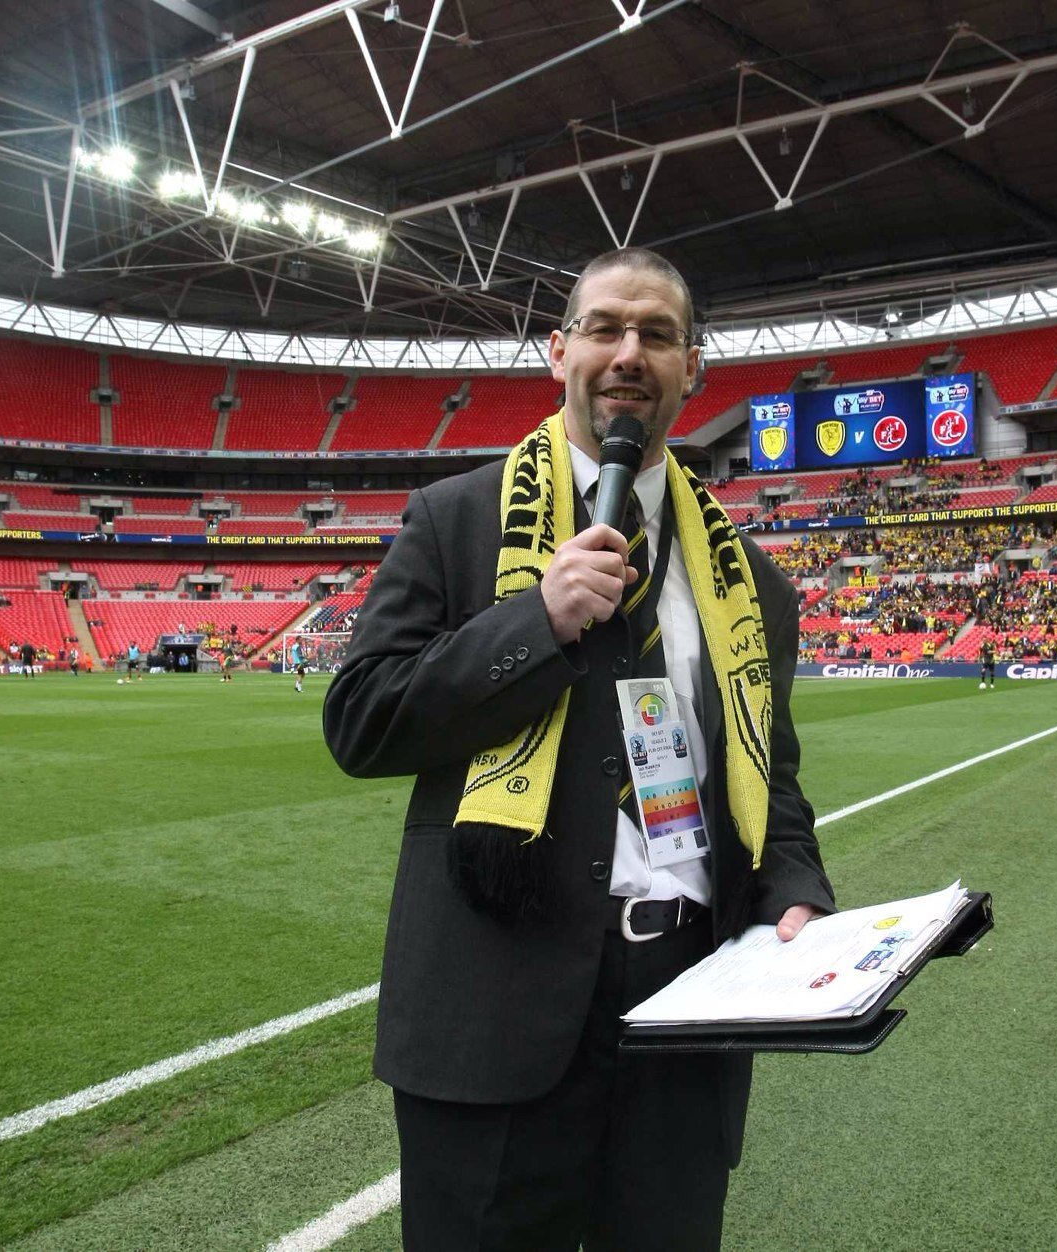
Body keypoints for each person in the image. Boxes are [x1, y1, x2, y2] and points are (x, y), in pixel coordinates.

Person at [323, 247, 835, 1252]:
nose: (627, 353)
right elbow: (361, 719)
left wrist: (797, 889)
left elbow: (770, 779)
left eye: (656, 334)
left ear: (696, 368)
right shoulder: (457, 520)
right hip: (496, 1005)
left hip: (690, 1005)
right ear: (558, 350)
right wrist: (535, 622)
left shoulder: (752, 584)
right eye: (604, 328)